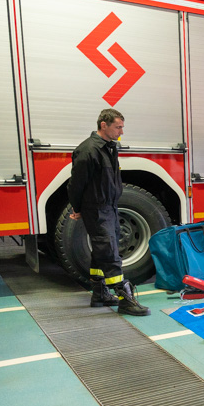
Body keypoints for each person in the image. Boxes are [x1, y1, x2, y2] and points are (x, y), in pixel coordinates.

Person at [68, 109, 149, 317]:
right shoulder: (88, 151)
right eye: (118, 127)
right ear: (104, 125)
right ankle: (124, 298)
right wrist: (77, 208)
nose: (121, 132)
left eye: (122, 127)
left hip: (109, 207)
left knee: (100, 251)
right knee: (110, 251)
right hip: (96, 209)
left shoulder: (109, 148)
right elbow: (75, 185)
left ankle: (99, 293)